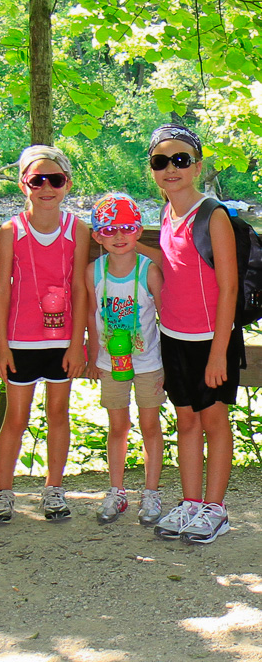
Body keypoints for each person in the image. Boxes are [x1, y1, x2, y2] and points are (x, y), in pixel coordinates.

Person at [145, 124, 239, 544]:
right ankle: (190, 503)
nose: (171, 168)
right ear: (152, 170)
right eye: (161, 161)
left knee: (214, 420)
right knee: (186, 420)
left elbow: (230, 286)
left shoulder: (212, 214)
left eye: (181, 160)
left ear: (197, 166)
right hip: (175, 337)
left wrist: (219, 352)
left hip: (211, 340)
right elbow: (171, 265)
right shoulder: (168, 213)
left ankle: (215, 509)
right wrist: (124, 246)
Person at [0, 145, 90, 523]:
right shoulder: (9, 230)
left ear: (67, 184)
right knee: (16, 417)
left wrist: (78, 343)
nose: (46, 187)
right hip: (20, 340)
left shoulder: (77, 229)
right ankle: (3, 492)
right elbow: (2, 290)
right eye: (37, 180)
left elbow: (80, 287)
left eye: (56, 180)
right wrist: (1, 347)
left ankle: (54, 488)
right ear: (23, 184)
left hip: (61, 340)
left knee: (58, 412)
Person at [85, 193, 165, 526]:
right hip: (109, 362)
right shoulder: (94, 271)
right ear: (97, 235)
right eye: (109, 230)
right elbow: (91, 316)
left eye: (127, 229)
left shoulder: (149, 271)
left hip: (148, 364)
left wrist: (170, 366)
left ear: (139, 232)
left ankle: (151, 492)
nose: (118, 237)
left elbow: (166, 316)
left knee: (150, 425)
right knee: (117, 426)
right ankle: (116, 491)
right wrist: (92, 357)